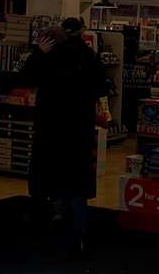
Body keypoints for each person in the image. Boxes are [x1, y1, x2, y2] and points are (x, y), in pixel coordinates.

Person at [18, 15, 105, 251]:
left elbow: (25, 78)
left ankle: (47, 223)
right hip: (79, 130)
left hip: (50, 129)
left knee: (46, 178)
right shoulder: (88, 56)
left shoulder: (47, 59)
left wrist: (38, 54)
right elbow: (102, 86)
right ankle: (81, 235)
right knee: (76, 184)